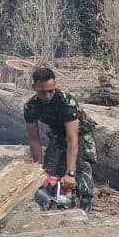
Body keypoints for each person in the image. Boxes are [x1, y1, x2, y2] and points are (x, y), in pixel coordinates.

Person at [24, 67, 97, 211]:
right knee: (48, 176)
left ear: (55, 85)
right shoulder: (30, 107)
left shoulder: (66, 101)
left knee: (81, 176)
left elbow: (72, 138)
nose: (47, 96)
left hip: (80, 136)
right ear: (34, 87)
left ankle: (85, 208)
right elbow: (34, 140)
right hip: (58, 135)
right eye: (42, 92)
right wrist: (40, 172)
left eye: (51, 90)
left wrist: (70, 173)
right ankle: (55, 205)